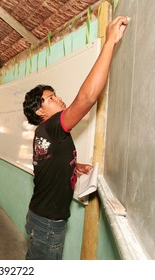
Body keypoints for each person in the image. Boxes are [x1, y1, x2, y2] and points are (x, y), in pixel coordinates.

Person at [22, 16, 129, 260]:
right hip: (48, 224)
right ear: (40, 112)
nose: (58, 99)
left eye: (56, 95)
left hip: (39, 217)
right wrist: (110, 41)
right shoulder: (52, 127)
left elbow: (49, 164)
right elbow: (87, 97)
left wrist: (74, 166)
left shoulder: (46, 133)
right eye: (51, 98)